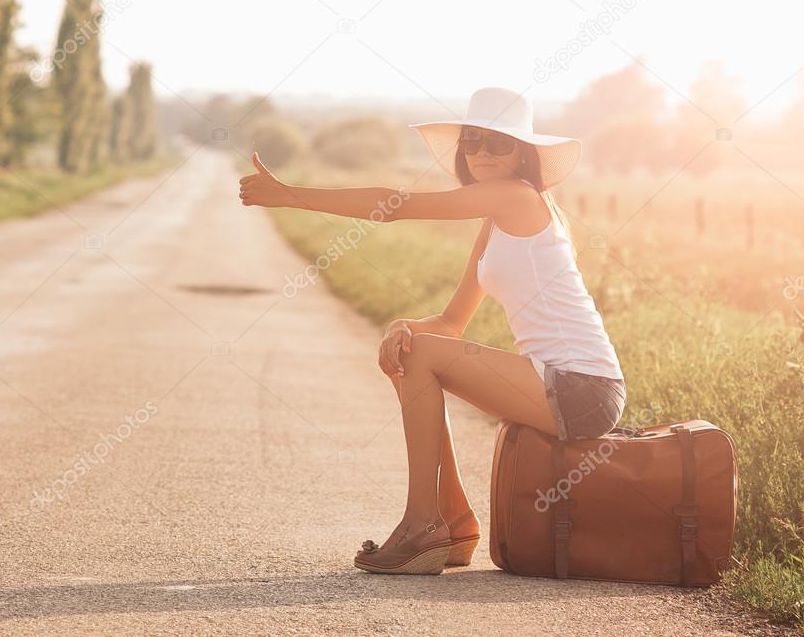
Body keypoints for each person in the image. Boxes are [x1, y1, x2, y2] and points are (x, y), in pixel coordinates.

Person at [237, 86, 626, 575]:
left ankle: (423, 524)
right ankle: (455, 522)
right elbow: (451, 322)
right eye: (473, 139)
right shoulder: (494, 223)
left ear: (522, 154)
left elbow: (395, 205)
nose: (482, 152)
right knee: (412, 349)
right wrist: (402, 326)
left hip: (583, 388)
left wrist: (290, 196)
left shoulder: (518, 197)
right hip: (556, 380)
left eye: (498, 143)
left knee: (419, 354)